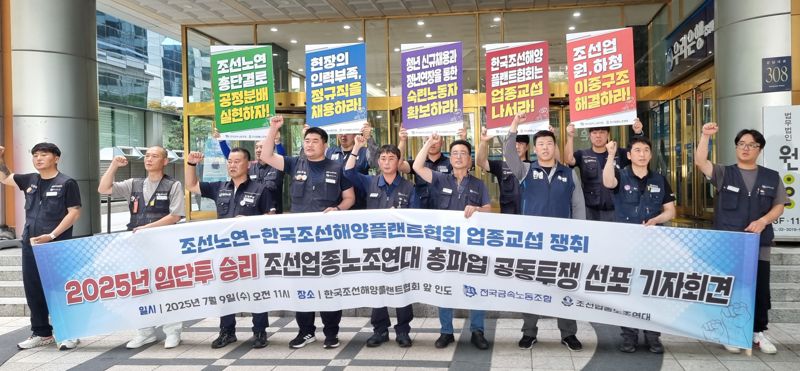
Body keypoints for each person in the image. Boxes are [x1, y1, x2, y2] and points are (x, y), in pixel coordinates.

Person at [261, 115, 355, 349]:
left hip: (327, 237)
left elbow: (349, 198)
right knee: (302, 284)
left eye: (315, 141)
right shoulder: (295, 164)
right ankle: (305, 331)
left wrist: (338, 209)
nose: (309, 144)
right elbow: (266, 156)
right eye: (307, 140)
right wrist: (273, 129)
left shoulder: (337, 167)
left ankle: (331, 332)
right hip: (300, 238)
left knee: (329, 283)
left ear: (325, 145)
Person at [695, 123, 787, 355]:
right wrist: (705, 136)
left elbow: (779, 206)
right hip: (728, 244)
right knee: (729, 289)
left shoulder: (771, 177)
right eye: (741, 144)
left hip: (759, 244)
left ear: (759, 149)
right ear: (736, 147)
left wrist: (763, 221)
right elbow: (700, 162)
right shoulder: (725, 173)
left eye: (751, 145)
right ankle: (728, 332)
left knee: (760, 290)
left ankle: (758, 333)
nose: (746, 148)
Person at [503, 112, 585, 352]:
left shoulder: (569, 174)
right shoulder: (526, 170)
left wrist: (579, 237)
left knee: (565, 287)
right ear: (535, 149)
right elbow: (508, 153)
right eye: (541, 144)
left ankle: (568, 333)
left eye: (549, 143)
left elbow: (578, 206)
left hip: (562, 243)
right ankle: (529, 333)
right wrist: (515, 125)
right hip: (533, 243)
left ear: (554, 146)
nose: (545, 148)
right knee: (532, 288)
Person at [97, 146, 185, 349]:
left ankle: (173, 331)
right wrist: (113, 165)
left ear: (165, 161)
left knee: (166, 287)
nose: (149, 159)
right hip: (136, 246)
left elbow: (175, 216)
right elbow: (103, 189)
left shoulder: (173, 185)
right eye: (147, 156)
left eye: (155, 156)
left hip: (163, 244)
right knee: (139, 287)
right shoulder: (133, 184)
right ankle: (144, 332)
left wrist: (148, 228)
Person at [185, 147, 273, 350]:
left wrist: (251, 221)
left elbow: (271, 218)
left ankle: (260, 331)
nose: (232, 165)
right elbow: (191, 185)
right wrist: (191, 164)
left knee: (256, 291)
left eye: (237, 161)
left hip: (252, 251)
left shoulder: (261, 189)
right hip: (225, 252)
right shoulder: (219, 187)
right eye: (230, 161)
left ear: (248, 164)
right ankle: (227, 331)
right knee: (225, 291)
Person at [412, 134, 492, 350]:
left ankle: (477, 331)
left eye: (463, 153)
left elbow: (488, 209)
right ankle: (446, 332)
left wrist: (477, 209)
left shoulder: (478, 184)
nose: (458, 157)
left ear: (469, 159)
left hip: (472, 247)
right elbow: (417, 166)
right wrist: (428, 143)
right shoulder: (440, 179)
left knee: (475, 287)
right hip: (445, 245)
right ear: (450, 158)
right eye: (454, 153)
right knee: (445, 288)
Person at [0, 143, 82, 350]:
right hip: (31, 244)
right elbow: (5, 178)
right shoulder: (30, 180)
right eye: (35, 155)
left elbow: (74, 212)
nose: (38, 158)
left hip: (56, 244)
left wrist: (52, 235)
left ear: (56, 158)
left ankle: (70, 332)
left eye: (43, 155)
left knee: (59, 289)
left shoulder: (67, 183)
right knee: (33, 289)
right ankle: (42, 332)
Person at [602, 136, 675, 354]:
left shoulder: (660, 180)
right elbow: (607, 182)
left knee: (652, 290)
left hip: (653, 244)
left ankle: (653, 336)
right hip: (626, 244)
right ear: (629, 154)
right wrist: (610, 155)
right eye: (637, 150)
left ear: (650, 155)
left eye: (645, 150)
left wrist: (657, 220)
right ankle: (629, 336)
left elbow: (670, 211)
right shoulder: (620, 175)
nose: (642, 154)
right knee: (628, 290)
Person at [343, 136, 416, 348]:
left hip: (400, 247)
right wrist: (357, 147)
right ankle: (380, 330)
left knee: (402, 288)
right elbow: (348, 172)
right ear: (378, 162)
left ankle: (403, 331)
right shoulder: (370, 181)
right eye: (383, 158)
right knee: (378, 289)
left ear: (399, 162)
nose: (386, 162)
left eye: (391, 158)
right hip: (375, 246)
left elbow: (415, 217)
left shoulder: (409, 187)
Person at [564, 120, 644, 221]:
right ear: (589, 135)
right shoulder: (582, 154)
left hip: (617, 210)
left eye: (602, 132)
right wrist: (570, 137)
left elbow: (638, 155)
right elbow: (568, 160)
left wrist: (638, 133)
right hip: (590, 211)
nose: (598, 136)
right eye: (594, 132)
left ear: (608, 134)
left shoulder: (620, 153)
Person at [400, 128, 467, 209]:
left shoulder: (451, 163)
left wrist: (463, 140)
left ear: (442, 142)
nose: (433, 143)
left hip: (444, 210)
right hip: (421, 210)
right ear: (424, 142)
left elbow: (465, 164)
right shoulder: (417, 164)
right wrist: (402, 141)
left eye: (436, 139)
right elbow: (399, 165)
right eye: (428, 139)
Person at [475, 127, 531, 215]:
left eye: (521, 143)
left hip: (530, 217)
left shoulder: (535, 167)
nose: (517, 146)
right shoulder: (501, 166)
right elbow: (480, 161)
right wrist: (483, 141)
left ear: (527, 147)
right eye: (513, 143)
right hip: (508, 218)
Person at [326, 123, 378, 210]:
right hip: (333, 207)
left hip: (360, 206)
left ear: (354, 133)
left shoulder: (364, 152)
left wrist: (369, 138)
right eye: (340, 132)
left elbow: (377, 163)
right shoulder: (329, 152)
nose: (343, 135)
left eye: (347, 132)